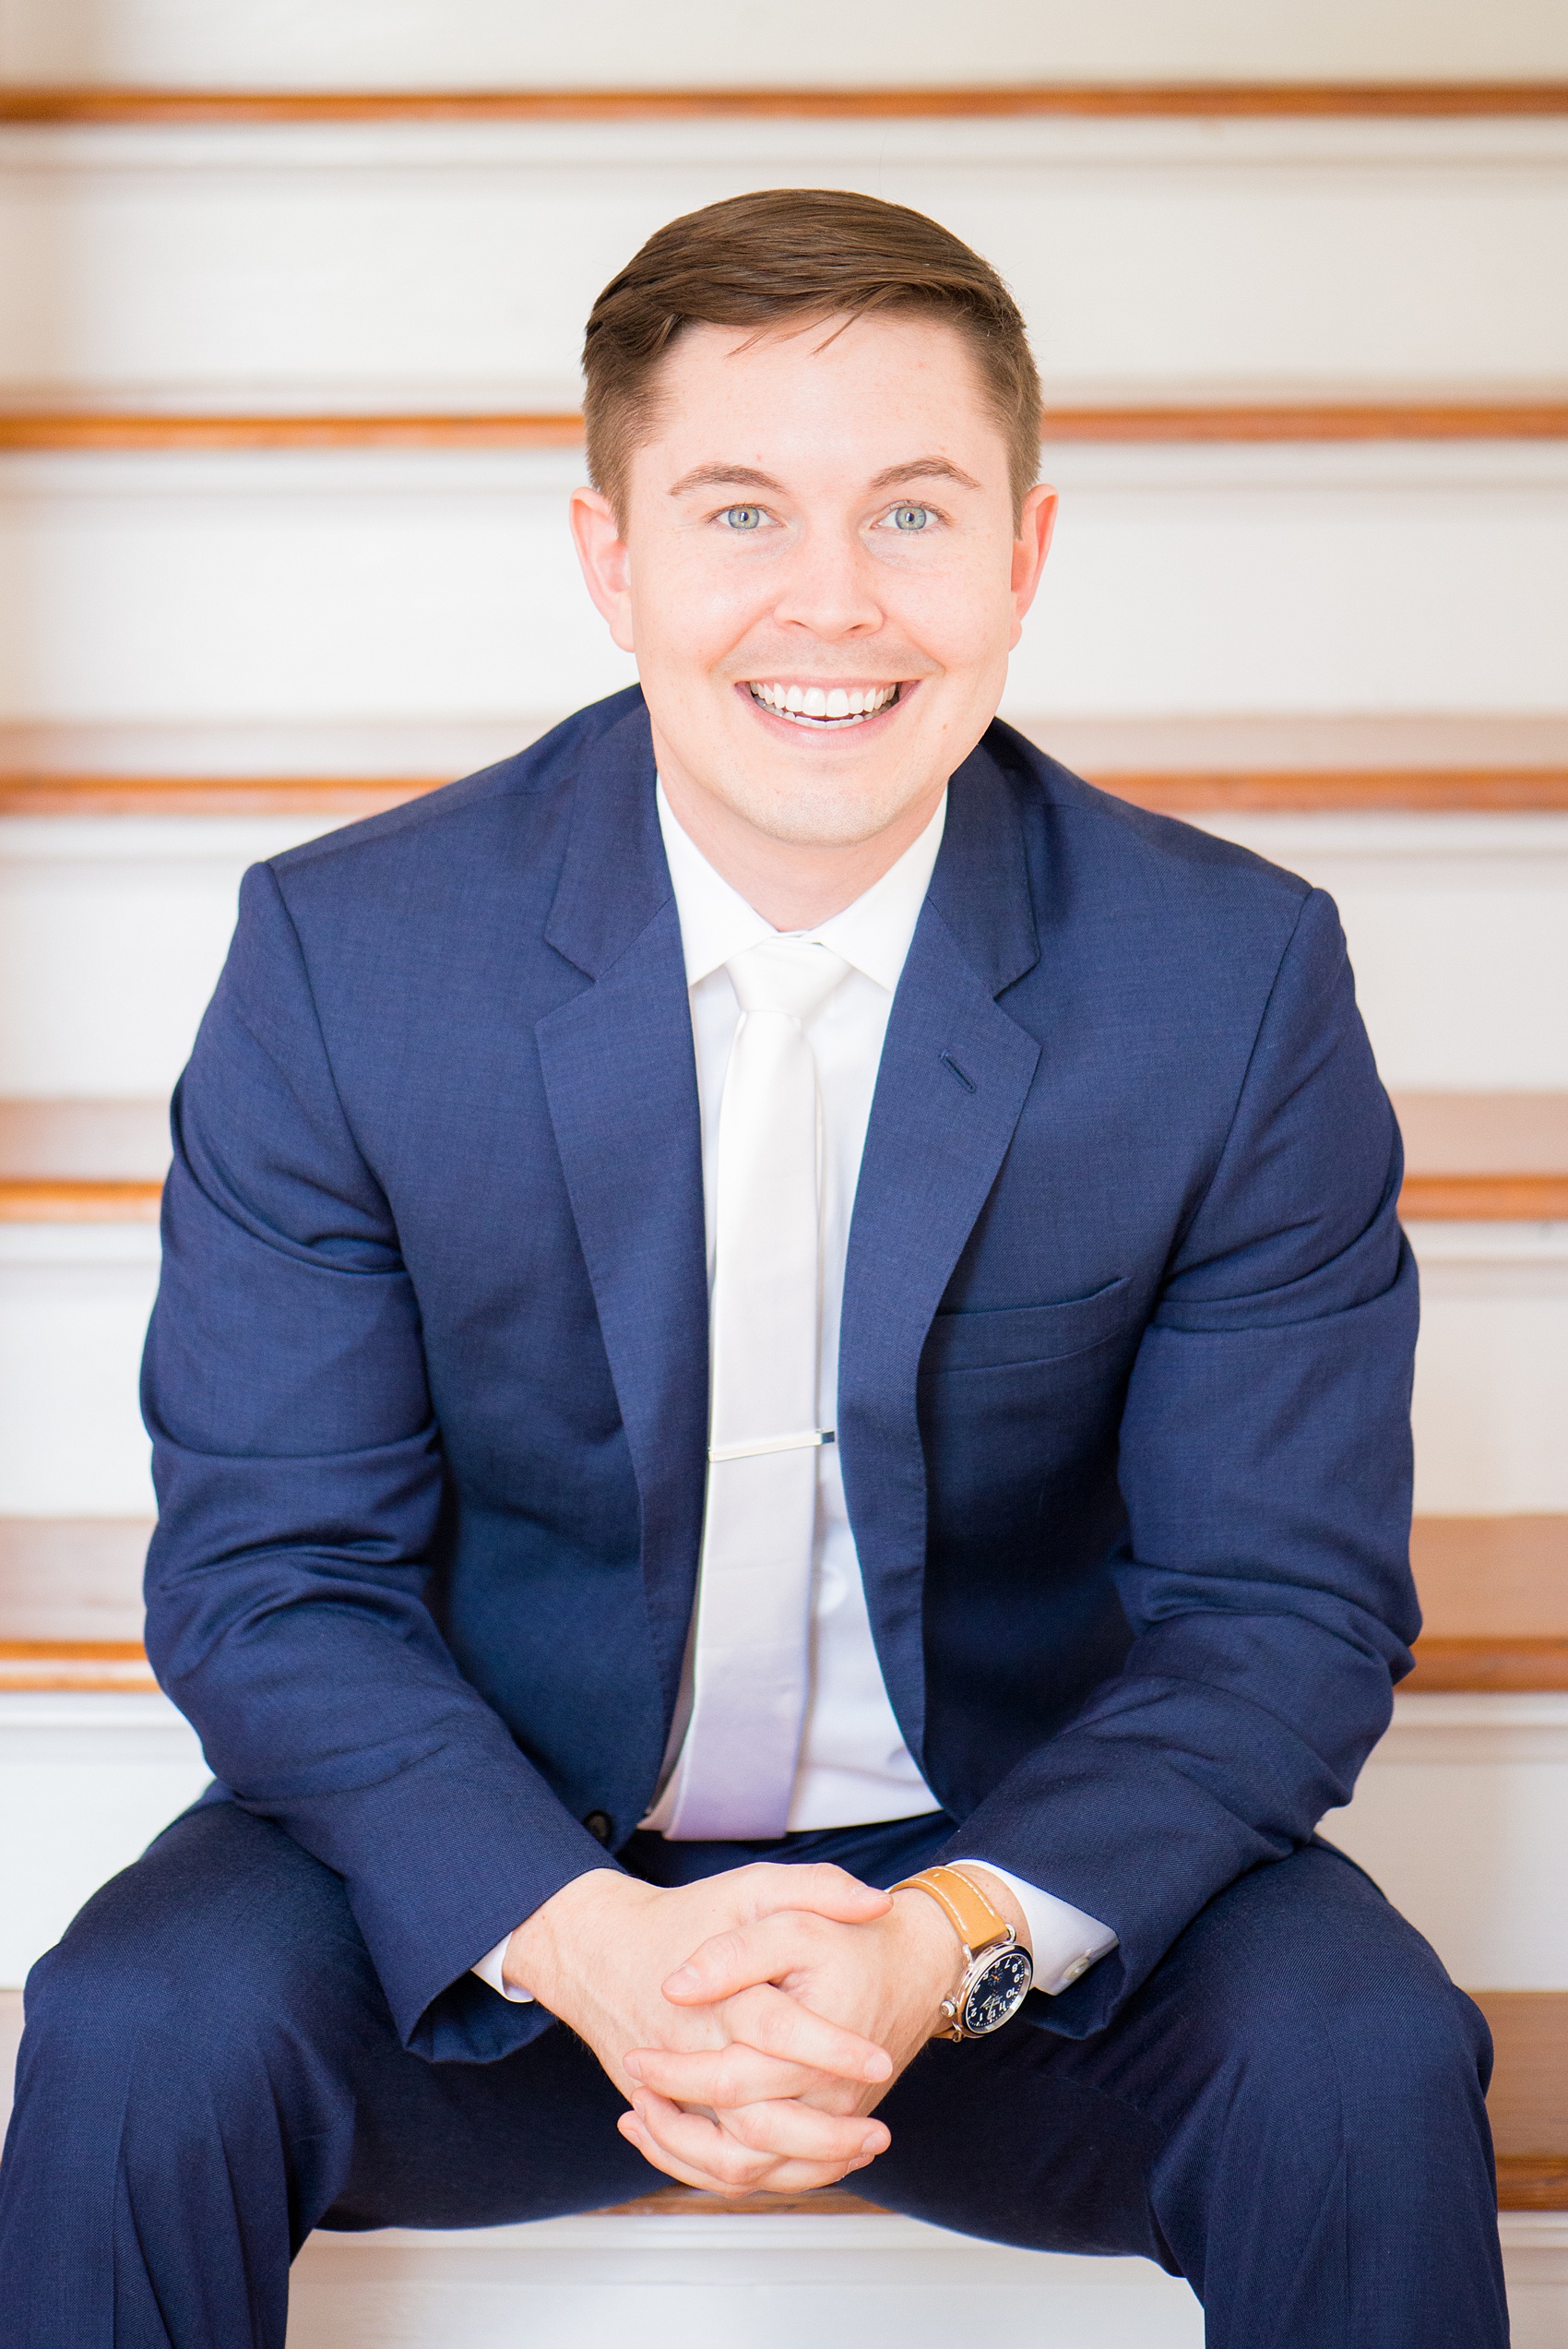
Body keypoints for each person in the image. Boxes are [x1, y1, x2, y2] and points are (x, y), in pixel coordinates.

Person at [0, 188, 1506, 2348]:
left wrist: (940, 1941)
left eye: (911, 512)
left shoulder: (1227, 979)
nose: (832, 601)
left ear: (1026, 553)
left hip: (995, 1925)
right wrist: (583, 1938)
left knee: (1361, 2058)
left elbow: (1278, 1610)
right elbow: (273, 1574)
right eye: (736, 511)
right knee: (135, 2029)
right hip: (499, 1910)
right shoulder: (349, 962)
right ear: (609, 555)